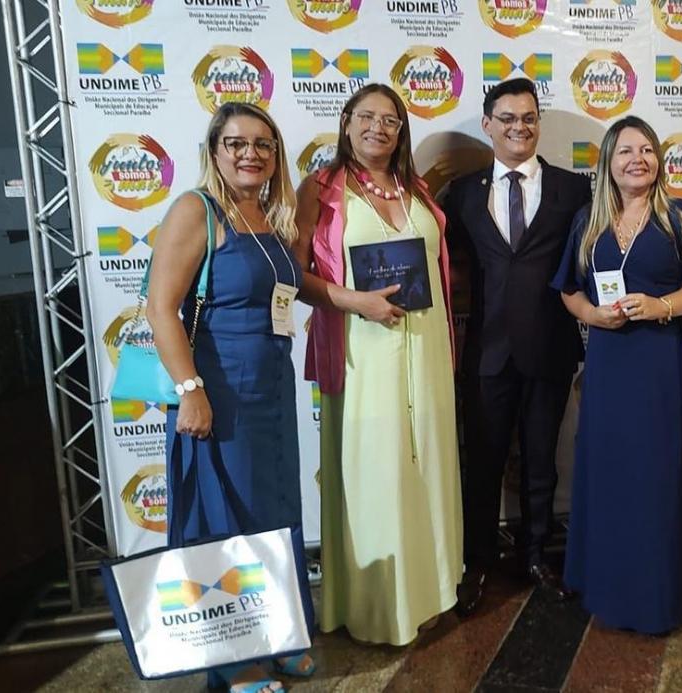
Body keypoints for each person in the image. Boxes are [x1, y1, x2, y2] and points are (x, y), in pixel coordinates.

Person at [147, 102, 314, 692]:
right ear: (214, 150)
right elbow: (160, 308)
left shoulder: (268, 213)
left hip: (270, 391)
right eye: (237, 143)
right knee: (226, 521)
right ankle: (236, 660)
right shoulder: (197, 209)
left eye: (263, 144)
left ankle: (279, 635)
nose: (251, 154)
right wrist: (191, 391)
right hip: (218, 392)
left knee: (272, 515)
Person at [293, 83, 462, 646]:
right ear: (346, 122)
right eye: (366, 116)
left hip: (427, 350)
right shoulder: (320, 190)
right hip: (362, 351)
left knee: (427, 469)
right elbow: (293, 274)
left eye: (390, 120)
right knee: (375, 475)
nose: (378, 128)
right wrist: (353, 301)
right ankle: (375, 607)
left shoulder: (417, 188)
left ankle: (428, 593)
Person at [551, 115, 682, 634]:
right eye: (626, 151)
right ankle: (610, 591)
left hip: (662, 369)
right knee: (611, 478)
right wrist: (591, 315)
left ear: (659, 161)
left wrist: (661, 305)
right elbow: (568, 289)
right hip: (608, 370)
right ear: (608, 162)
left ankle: (656, 598)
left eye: (647, 150)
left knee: (657, 481)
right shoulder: (588, 221)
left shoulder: (678, 216)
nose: (637, 159)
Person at [443, 78, 592, 616]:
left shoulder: (574, 190)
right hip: (486, 354)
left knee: (541, 465)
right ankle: (477, 563)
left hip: (549, 351)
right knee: (481, 465)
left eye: (528, 117)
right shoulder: (462, 193)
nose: (518, 127)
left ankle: (535, 558)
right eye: (507, 118)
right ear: (488, 124)